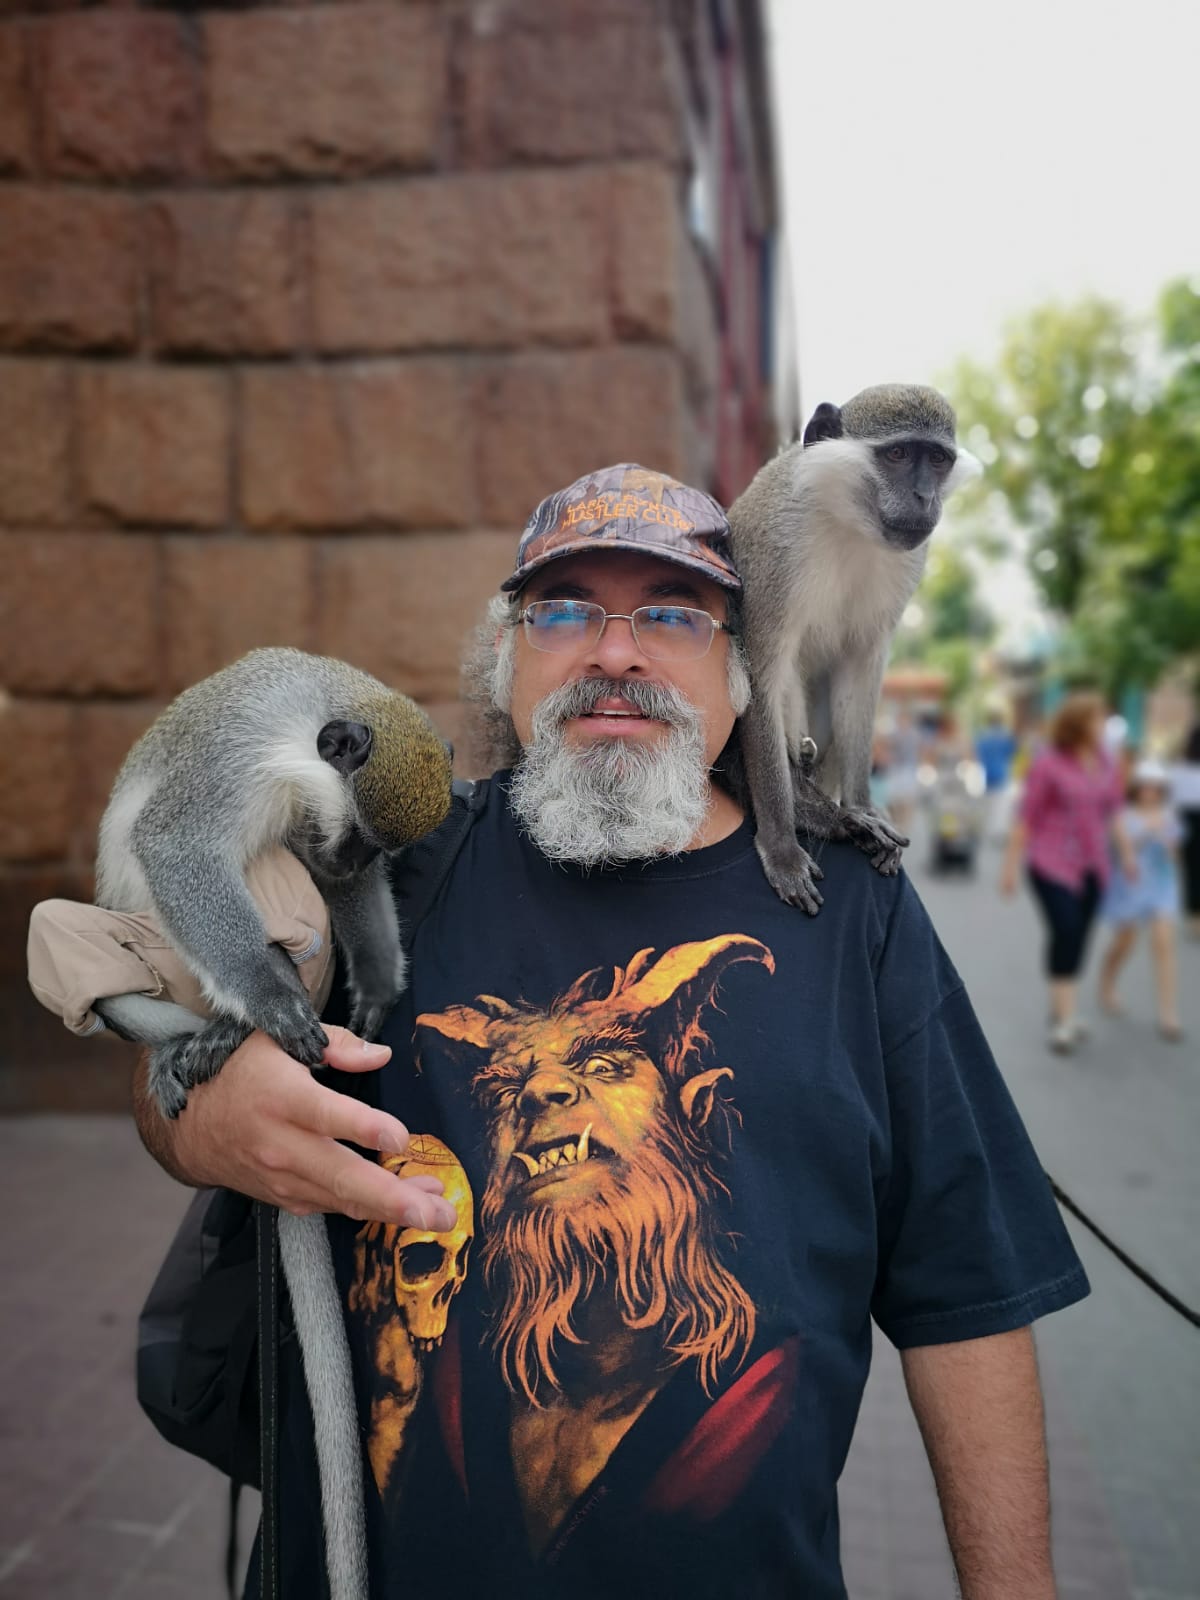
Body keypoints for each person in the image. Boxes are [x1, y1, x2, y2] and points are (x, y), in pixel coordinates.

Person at [131, 464, 1087, 1600]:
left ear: (744, 665)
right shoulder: (390, 860)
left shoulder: (852, 913)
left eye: (674, 614)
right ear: (509, 658)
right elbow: (169, 1078)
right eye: (565, 611)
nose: (616, 654)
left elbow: (968, 1296)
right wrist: (204, 1124)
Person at [1000, 691, 1131, 1054]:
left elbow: (1114, 811)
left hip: (1093, 864)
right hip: (1050, 862)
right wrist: (1010, 867)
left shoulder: (1105, 761)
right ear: (1078, 723)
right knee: (1067, 930)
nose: (1103, 725)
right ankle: (1063, 1021)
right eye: (1097, 718)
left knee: (1080, 937)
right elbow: (1027, 816)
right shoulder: (1048, 763)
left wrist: (1127, 855)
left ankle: (1062, 1006)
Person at [1098, 759, 1185, 1040]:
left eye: (1156, 787)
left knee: (1163, 943)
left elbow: (1175, 854)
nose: (1150, 792)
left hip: (1162, 886)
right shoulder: (1122, 816)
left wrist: (1167, 840)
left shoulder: (1169, 816)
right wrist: (1144, 836)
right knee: (1126, 941)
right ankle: (1107, 980)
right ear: (1136, 788)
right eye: (1146, 786)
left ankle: (1168, 1013)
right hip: (1131, 886)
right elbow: (1124, 851)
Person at [1169, 720, 1200, 940]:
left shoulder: (1179, 768)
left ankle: (1194, 917)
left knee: (1192, 872)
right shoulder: (1181, 768)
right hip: (1189, 820)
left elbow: (1172, 803)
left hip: (1187, 821)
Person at [974, 709, 1018, 843]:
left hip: (986, 774)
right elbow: (1012, 753)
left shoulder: (983, 737)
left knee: (987, 805)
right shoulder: (1005, 737)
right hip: (1001, 773)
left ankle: (987, 830)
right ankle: (997, 832)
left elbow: (977, 754)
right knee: (999, 806)